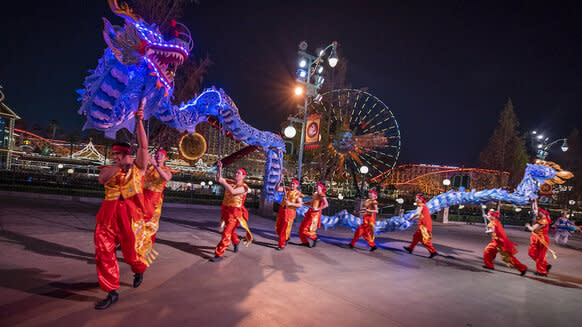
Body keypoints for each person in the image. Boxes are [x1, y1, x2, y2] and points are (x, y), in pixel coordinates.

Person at [93, 98, 149, 310]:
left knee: (132, 253)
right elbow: (102, 179)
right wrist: (119, 167)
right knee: (102, 250)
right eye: (114, 154)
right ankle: (111, 290)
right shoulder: (110, 168)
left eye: (120, 154)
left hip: (131, 217)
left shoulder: (139, 169)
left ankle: (139, 269)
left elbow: (144, 146)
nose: (115, 156)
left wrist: (139, 120)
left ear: (129, 154)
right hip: (108, 216)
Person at [134, 149, 177, 265]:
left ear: (165, 158)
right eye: (157, 154)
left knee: (149, 226)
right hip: (143, 196)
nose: (158, 156)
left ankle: (143, 252)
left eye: (161, 155)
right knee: (135, 221)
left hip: (154, 200)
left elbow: (166, 178)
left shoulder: (167, 170)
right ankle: (133, 243)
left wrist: (155, 165)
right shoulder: (149, 167)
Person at [210, 161, 252, 262]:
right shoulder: (231, 182)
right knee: (230, 231)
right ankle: (236, 242)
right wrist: (220, 168)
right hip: (226, 210)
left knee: (226, 233)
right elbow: (218, 178)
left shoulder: (244, 187)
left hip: (235, 213)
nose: (236, 174)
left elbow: (233, 192)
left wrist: (224, 183)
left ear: (243, 176)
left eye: (238, 173)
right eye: (236, 172)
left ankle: (219, 254)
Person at [482, 210, 527, 276]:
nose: (488, 216)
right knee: (488, 251)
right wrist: (487, 217)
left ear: (493, 216)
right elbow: (492, 222)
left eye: (489, 215)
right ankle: (489, 265)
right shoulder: (496, 221)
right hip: (497, 242)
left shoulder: (494, 223)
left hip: (500, 243)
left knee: (508, 258)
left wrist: (488, 231)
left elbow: (493, 229)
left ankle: (523, 268)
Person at [274, 176, 303, 250]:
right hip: (282, 210)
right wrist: (280, 180)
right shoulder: (286, 189)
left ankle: (281, 245)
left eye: (294, 184)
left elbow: (300, 205)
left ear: (297, 185)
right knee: (279, 228)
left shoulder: (298, 194)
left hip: (289, 212)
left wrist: (290, 204)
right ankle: (287, 238)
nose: (292, 185)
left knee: (284, 229)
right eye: (291, 183)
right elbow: (277, 189)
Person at [298, 182, 329, 247]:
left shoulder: (321, 194)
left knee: (305, 229)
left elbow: (326, 204)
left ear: (321, 188)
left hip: (314, 215)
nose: (316, 187)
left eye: (317, 186)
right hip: (309, 213)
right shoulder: (315, 194)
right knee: (301, 228)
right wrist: (303, 203)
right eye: (316, 186)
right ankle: (305, 242)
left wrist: (318, 209)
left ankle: (315, 238)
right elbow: (310, 202)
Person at [526, 207, 553, 276]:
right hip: (537, 239)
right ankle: (546, 265)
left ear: (542, 213)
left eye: (538, 212)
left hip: (542, 240)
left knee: (540, 256)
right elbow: (535, 210)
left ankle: (542, 271)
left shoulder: (543, 221)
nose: (537, 213)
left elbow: (533, 229)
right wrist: (534, 200)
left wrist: (528, 226)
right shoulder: (541, 218)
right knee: (532, 253)